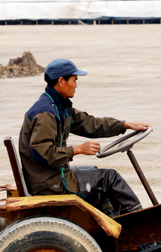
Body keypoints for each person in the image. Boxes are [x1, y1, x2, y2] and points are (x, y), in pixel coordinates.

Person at [18, 58, 150, 217]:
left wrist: (124, 125)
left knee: (94, 172)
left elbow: (90, 123)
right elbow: (43, 153)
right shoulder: (46, 113)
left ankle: (114, 222)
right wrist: (78, 149)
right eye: (74, 80)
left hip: (51, 176)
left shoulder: (59, 106)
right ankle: (141, 225)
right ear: (61, 81)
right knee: (110, 178)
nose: (76, 85)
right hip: (50, 184)